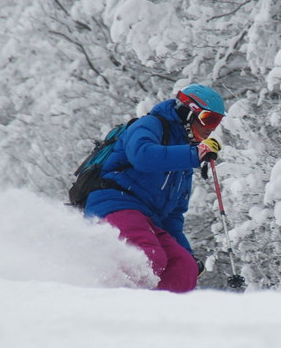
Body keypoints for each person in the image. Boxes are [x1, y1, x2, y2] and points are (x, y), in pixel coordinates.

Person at [84, 84, 224, 292]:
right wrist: (194, 154)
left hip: (149, 219)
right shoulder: (150, 125)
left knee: (184, 268)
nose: (210, 128)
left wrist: (189, 256)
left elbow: (173, 217)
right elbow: (142, 155)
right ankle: (111, 302)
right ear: (188, 111)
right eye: (208, 119)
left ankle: (162, 317)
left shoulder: (183, 163)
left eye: (217, 122)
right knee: (146, 256)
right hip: (115, 203)